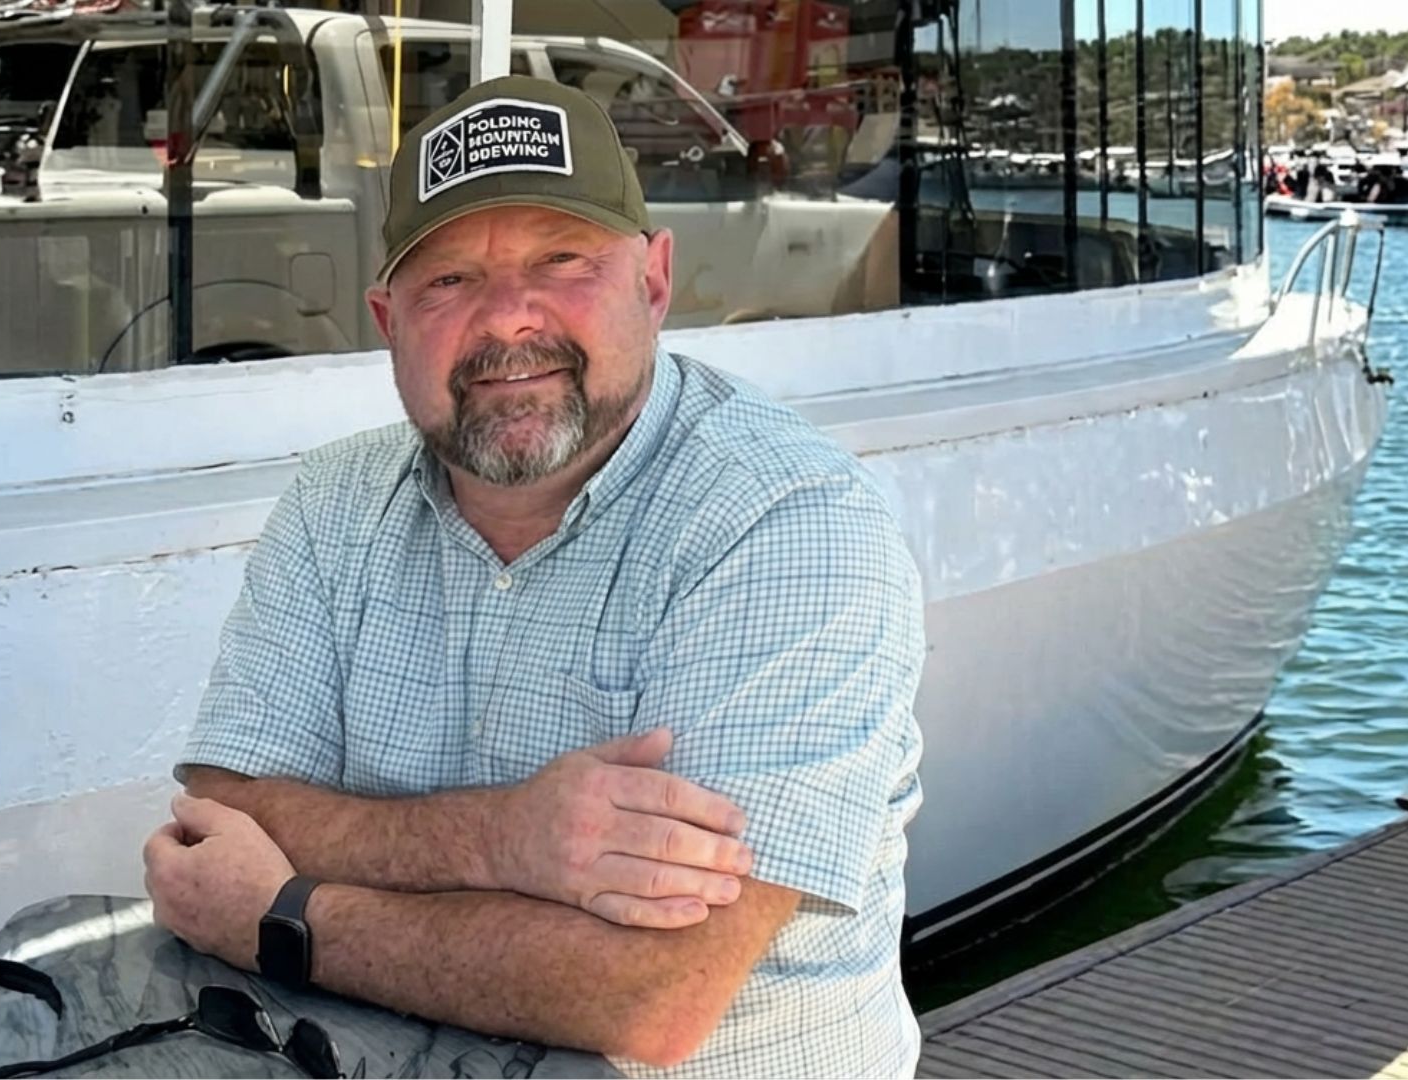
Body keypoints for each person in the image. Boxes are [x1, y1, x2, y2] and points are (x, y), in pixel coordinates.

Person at [144, 75, 926, 1078]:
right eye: (449, 280)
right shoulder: (334, 501)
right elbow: (225, 815)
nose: (509, 320)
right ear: (389, 319)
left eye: (562, 260)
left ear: (653, 281)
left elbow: (651, 995)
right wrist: (501, 840)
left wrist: (285, 918)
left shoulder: (784, 521)